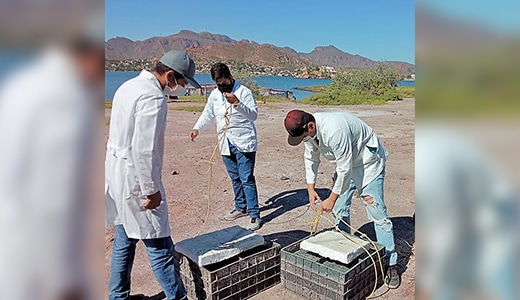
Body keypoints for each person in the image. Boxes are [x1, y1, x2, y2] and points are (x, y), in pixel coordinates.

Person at [105, 50, 201, 300]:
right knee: (159, 246)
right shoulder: (153, 97)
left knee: (124, 240)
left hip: (117, 174)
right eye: (181, 82)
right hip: (136, 178)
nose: (180, 88)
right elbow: (144, 149)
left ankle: (117, 296)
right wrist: (152, 190)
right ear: (170, 75)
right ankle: (177, 297)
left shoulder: (128, 86)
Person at [284, 109, 400, 289]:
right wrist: (310, 187)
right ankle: (345, 250)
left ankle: (390, 262)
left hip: (367, 164)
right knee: (339, 210)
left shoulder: (334, 130)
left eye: (303, 136)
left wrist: (331, 198)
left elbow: (345, 169)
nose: (304, 140)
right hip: (346, 164)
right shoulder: (309, 131)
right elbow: (311, 157)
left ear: (311, 126)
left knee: (378, 214)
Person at [189, 63, 261, 230]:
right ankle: (240, 207)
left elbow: (253, 115)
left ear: (229, 77)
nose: (221, 86)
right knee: (235, 178)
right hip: (225, 142)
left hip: (244, 142)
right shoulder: (215, 95)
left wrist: (237, 104)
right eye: (218, 83)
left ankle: (254, 214)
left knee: (246, 179)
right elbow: (208, 114)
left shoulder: (244, 92)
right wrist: (196, 128)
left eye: (223, 82)